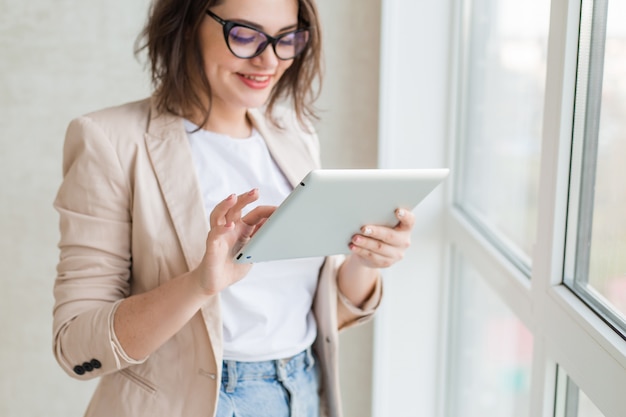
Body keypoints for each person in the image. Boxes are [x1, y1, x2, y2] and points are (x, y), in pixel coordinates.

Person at [52, 0, 415, 416]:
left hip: (301, 391)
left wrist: (366, 257)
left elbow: (312, 313)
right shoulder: (110, 140)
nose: (269, 59)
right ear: (187, 25)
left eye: (288, 38)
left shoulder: (294, 134)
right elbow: (75, 343)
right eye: (245, 34)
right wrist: (200, 284)